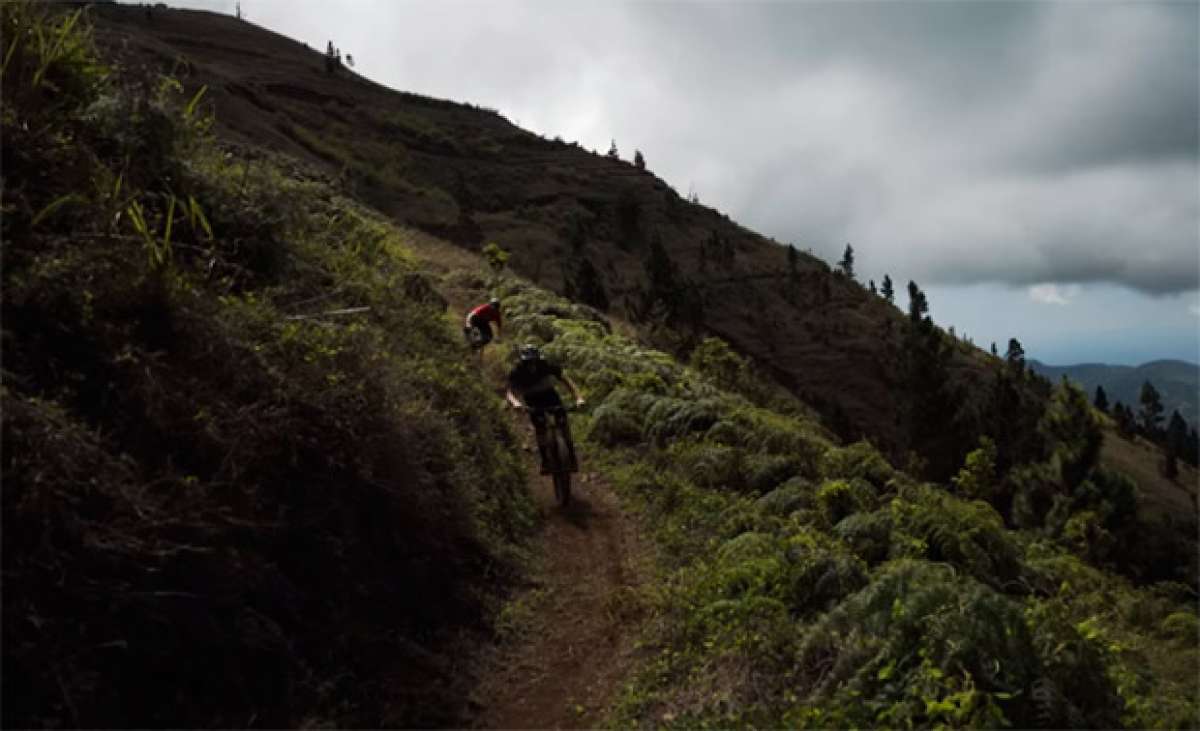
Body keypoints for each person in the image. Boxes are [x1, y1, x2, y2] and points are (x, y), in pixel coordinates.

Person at [506, 344, 584, 472]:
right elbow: (510, 391)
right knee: (540, 428)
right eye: (528, 362)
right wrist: (515, 403)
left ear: (538, 359)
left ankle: (571, 456)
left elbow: (566, 380)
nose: (531, 365)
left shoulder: (545, 365)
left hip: (549, 395)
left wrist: (578, 397)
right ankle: (545, 461)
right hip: (532, 399)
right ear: (523, 361)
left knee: (563, 423)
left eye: (534, 361)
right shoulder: (517, 371)